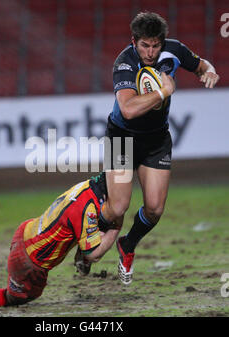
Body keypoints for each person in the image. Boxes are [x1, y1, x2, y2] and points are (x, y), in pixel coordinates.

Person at [97, 11, 220, 285]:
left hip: (156, 139)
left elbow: (201, 65)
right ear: (134, 42)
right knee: (117, 207)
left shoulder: (174, 50)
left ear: (162, 42)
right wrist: (164, 92)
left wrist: (209, 71)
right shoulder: (124, 63)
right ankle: (86, 231)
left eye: (155, 45)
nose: (150, 52)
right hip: (121, 137)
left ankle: (127, 245)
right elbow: (128, 110)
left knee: (154, 209)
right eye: (144, 46)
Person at [0, 172, 121, 307]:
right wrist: (116, 227)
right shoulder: (88, 208)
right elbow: (94, 255)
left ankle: (80, 257)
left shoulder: (87, 187)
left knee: (80, 232)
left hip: (26, 232)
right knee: (15, 299)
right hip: (30, 260)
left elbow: (79, 224)